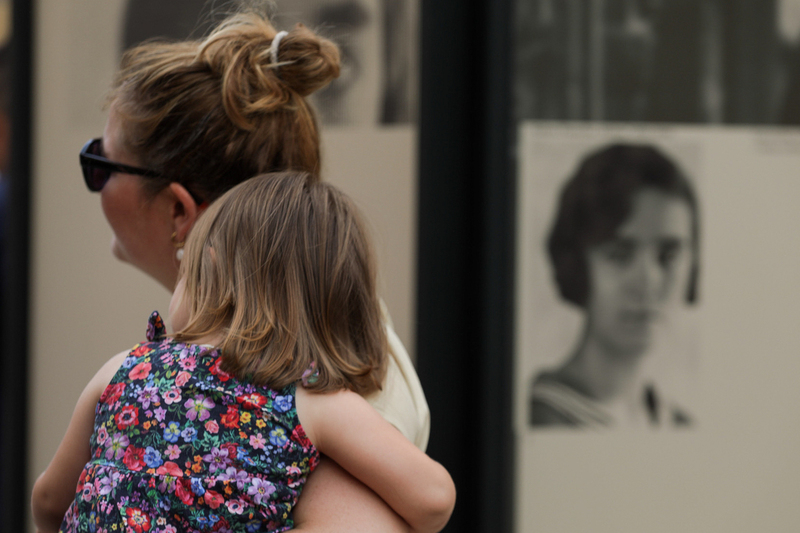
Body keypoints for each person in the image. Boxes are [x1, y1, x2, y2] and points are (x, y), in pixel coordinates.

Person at [32, 7, 430, 532]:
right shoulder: (312, 359)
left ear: (179, 213)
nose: (96, 184)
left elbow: (48, 503)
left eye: (99, 165)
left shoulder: (329, 396)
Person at [32, 172, 456, 532]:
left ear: (211, 266)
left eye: (184, 267)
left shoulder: (122, 368)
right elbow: (435, 498)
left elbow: (49, 501)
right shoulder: (313, 403)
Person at [529, 143, 699, 429]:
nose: (648, 283)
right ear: (576, 264)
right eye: (619, 255)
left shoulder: (680, 424)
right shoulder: (540, 418)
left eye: (668, 256)